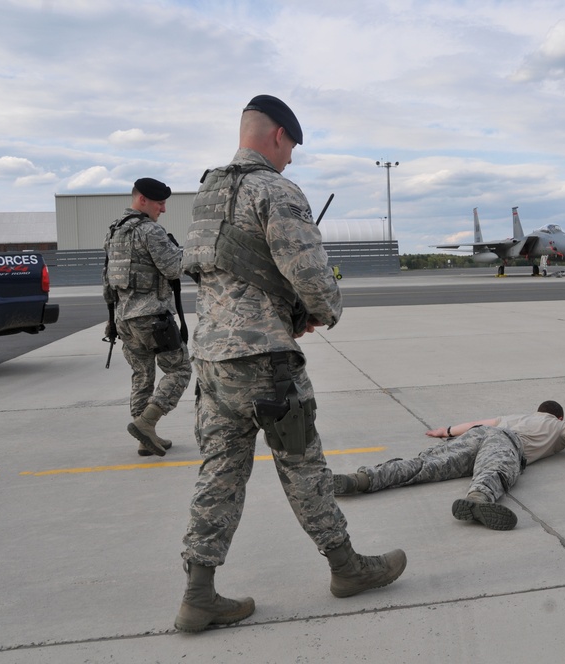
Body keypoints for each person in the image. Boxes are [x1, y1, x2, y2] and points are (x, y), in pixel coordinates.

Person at [175, 95, 406, 634]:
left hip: (211, 358)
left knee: (219, 473)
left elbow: (201, 268)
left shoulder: (208, 191)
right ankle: (347, 568)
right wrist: (320, 311)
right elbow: (310, 273)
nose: (293, 160)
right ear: (278, 135)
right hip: (266, 363)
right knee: (303, 466)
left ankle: (198, 594)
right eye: (292, 147)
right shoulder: (276, 190)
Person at [334, 400, 565, 531]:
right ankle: (479, 499)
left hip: (483, 433)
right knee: (495, 471)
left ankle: (361, 479)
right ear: (559, 416)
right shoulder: (561, 427)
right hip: (504, 443)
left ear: (537, 410)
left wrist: (445, 431)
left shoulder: (516, 414)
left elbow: (479, 422)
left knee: (424, 465)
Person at [102, 177, 191, 457]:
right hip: (153, 320)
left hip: (125, 319)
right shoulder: (150, 231)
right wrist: (190, 251)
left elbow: (107, 279)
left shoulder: (114, 232)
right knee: (180, 370)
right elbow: (175, 268)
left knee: (142, 377)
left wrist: (111, 319)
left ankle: (145, 440)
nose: (163, 209)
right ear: (142, 200)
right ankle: (147, 423)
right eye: (160, 203)